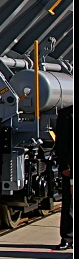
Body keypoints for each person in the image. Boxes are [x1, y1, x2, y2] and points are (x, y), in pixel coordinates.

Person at [55, 105, 72, 250]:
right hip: (71, 167)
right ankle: (67, 237)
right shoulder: (67, 114)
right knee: (69, 202)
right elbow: (61, 142)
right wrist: (64, 166)